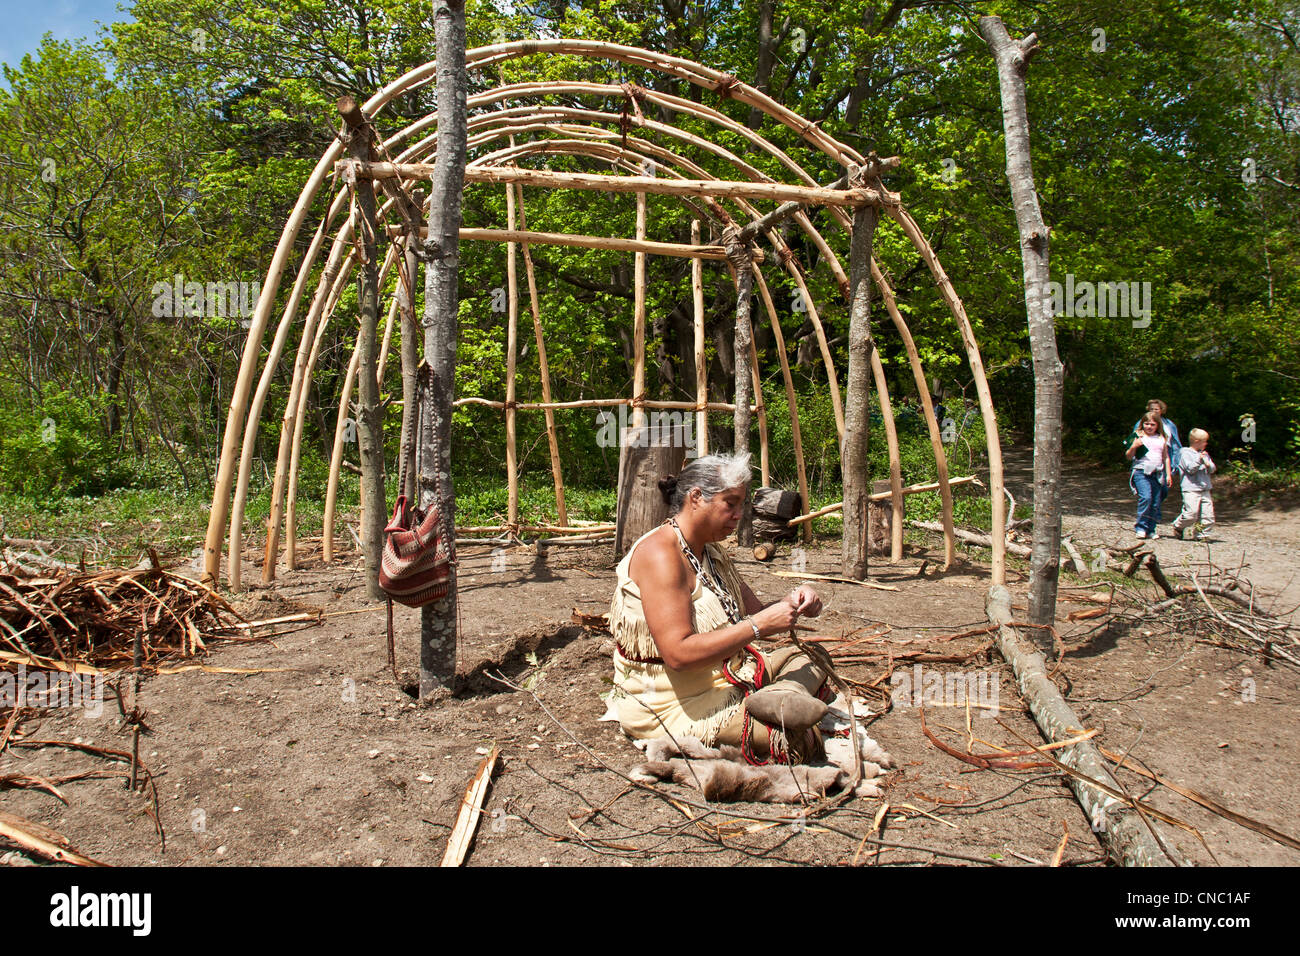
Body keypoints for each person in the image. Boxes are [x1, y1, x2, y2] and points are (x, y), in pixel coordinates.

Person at [608, 452, 831, 765]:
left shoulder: (710, 552)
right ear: (696, 497)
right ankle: (780, 705)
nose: (739, 514)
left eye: (741, 505)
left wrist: (797, 600)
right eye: (731, 503)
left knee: (811, 656)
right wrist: (759, 626)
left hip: (729, 675)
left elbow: (757, 611)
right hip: (675, 702)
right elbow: (678, 654)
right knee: (797, 742)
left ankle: (782, 699)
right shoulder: (661, 555)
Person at [1126, 410, 1172, 539]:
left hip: (1157, 473)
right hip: (1141, 471)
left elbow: (1166, 457)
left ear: (1157, 425)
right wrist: (1133, 446)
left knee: (1155, 502)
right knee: (1146, 497)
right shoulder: (1138, 436)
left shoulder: (1161, 438)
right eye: (1146, 424)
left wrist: (1168, 474)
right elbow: (1129, 456)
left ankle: (1151, 528)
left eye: (1152, 424)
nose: (1149, 427)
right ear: (1142, 424)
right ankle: (1141, 527)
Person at [1171, 428, 1216, 540]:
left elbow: (1212, 469)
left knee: (1208, 515)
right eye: (1204, 441)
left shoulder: (1204, 454)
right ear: (1196, 441)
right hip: (1191, 488)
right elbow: (1190, 469)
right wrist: (1199, 461)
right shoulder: (1185, 453)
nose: (1206, 444)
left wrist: (1207, 463)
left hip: (1205, 488)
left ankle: (1202, 535)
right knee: (1191, 514)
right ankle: (1178, 526)